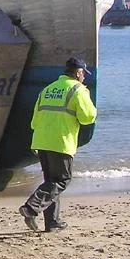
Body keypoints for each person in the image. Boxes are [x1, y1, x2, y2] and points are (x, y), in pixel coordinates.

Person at [19, 56, 97, 233]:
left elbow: (34, 121)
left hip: (41, 141)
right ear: (78, 73)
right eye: (84, 73)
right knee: (62, 180)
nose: (84, 76)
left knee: (51, 182)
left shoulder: (47, 89)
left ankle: (52, 222)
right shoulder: (78, 90)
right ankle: (31, 207)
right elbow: (87, 118)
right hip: (61, 142)